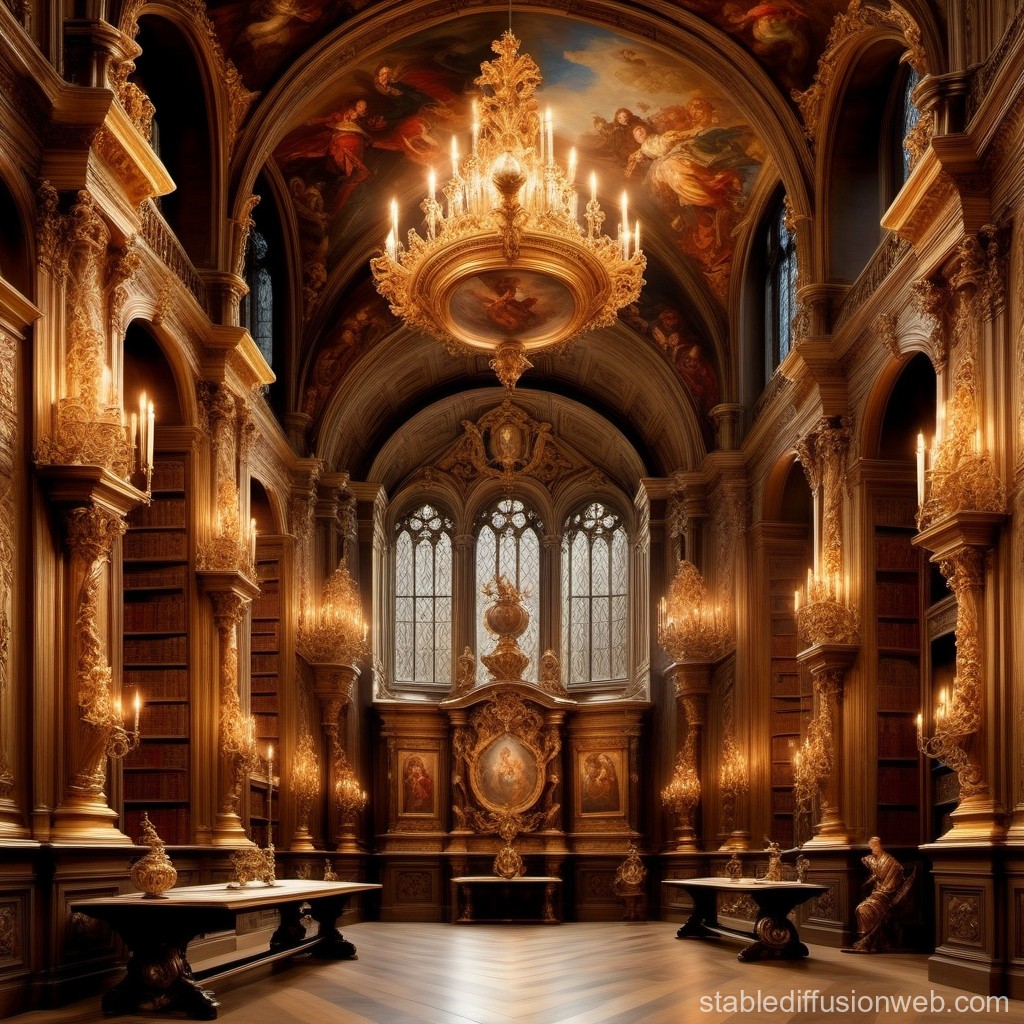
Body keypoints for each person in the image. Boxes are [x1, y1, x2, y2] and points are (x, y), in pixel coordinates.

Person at [845, 836, 913, 952]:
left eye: (874, 846)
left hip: (884, 897)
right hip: (876, 894)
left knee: (862, 909)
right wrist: (871, 881)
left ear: (880, 845)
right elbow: (872, 877)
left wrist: (877, 891)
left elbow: (890, 888)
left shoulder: (892, 864)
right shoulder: (872, 859)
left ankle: (870, 941)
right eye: (871, 847)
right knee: (860, 909)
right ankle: (868, 940)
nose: (872, 849)